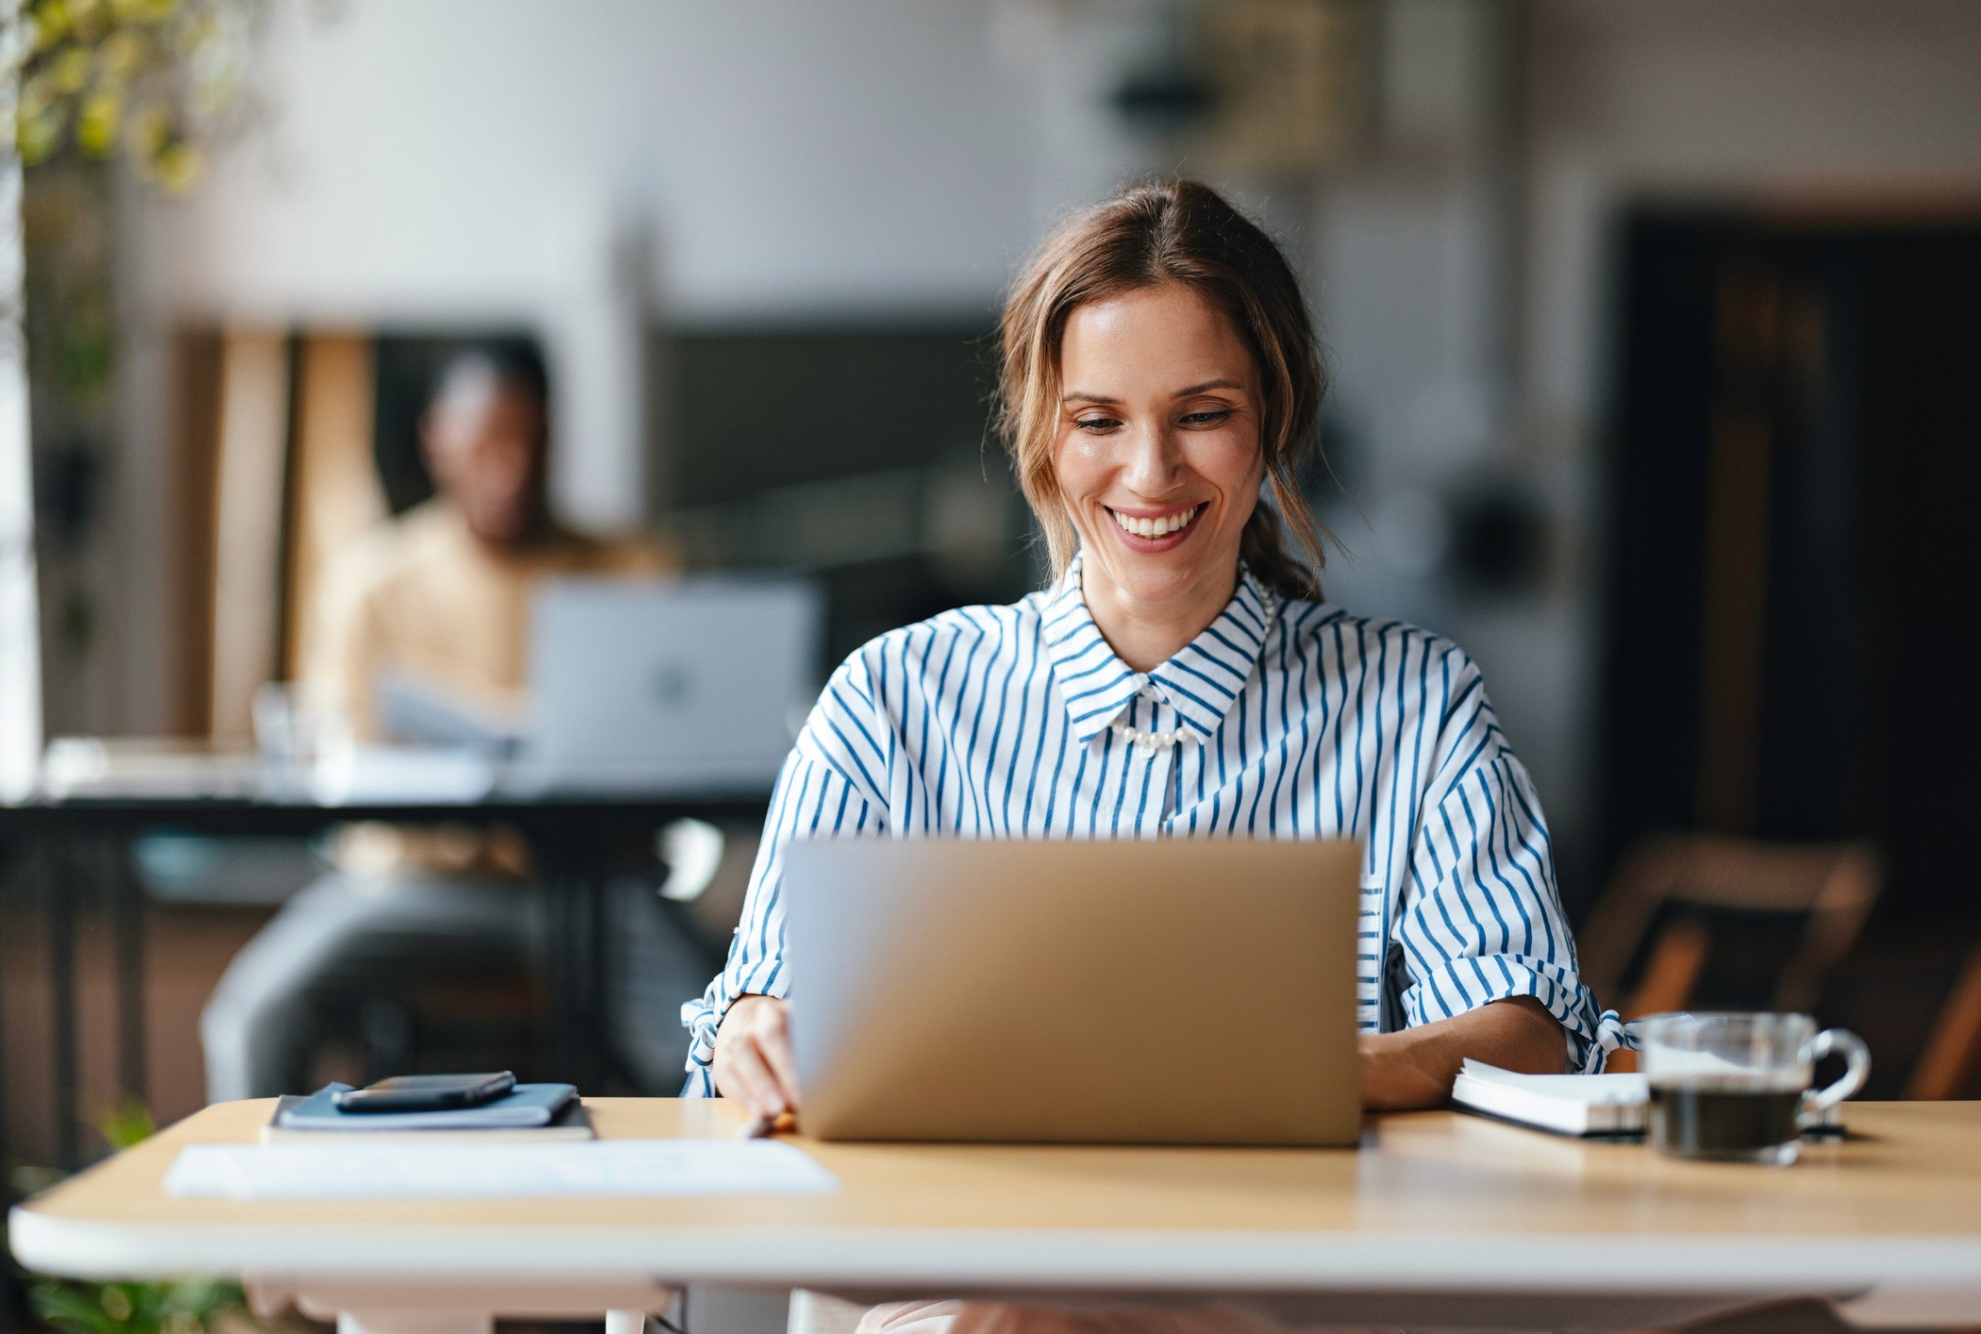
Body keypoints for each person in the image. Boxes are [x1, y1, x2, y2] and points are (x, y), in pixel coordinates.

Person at [681, 180, 1625, 1329]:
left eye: (1201, 412)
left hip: (1286, 1295)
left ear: (1270, 414)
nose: (1147, 472)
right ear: (1041, 431)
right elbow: (748, 1019)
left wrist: (1306, 1069)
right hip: (956, 1292)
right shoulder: (891, 700)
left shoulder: (1413, 705)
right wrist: (749, 1033)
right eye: (1098, 420)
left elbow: (1528, 1029)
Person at [201, 343, 691, 1101]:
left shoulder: (632, 568)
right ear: (437, 440)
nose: (508, 469)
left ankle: (693, 1205)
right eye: (484, 445)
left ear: (555, 436)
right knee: (254, 1014)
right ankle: (260, 1211)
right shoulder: (373, 584)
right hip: (413, 888)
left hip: (594, 885)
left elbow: (678, 745)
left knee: (713, 1035)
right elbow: (343, 762)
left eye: (527, 441)